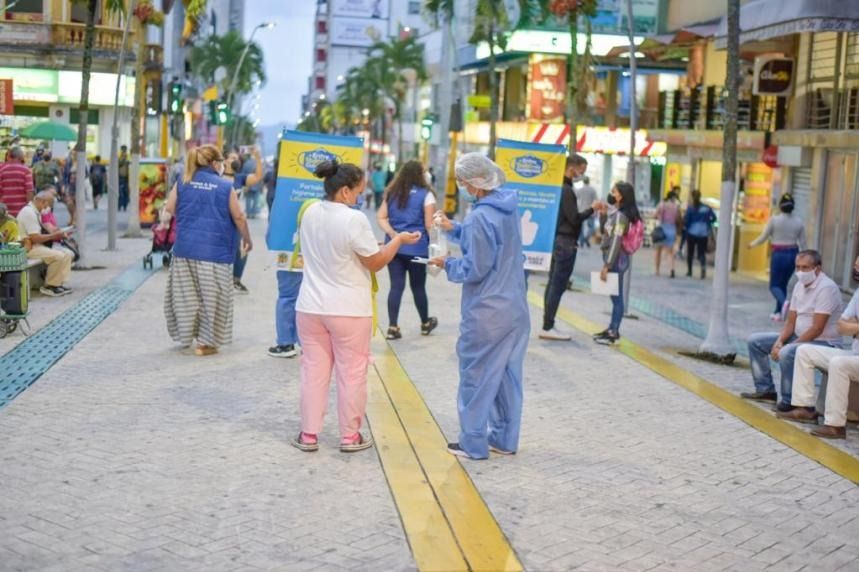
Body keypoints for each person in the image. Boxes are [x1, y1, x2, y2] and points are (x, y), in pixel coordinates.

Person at [292, 161, 421, 453]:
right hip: (348, 309)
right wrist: (398, 240)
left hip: (310, 308)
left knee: (313, 372)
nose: (361, 197)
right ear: (346, 192)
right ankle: (350, 437)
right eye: (359, 192)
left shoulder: (310, 211)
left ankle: (309, 435)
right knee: (351, 373)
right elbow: (374, 262)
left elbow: (330, 247)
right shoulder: (353, 219)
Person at [429, 153, 530, 460]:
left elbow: (475, 267)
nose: (459, 186)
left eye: (460, 181)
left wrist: (447, 263)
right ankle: (504, 438)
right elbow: (489, 241)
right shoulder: (506, 207)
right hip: (515, 307)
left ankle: (473, 443)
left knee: (477, 376)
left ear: (472, 183)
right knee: (506, 378)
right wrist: (454, 228)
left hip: (487, 313)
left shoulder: (478, 218)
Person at [163, 144, 252, 356]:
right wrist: (247, 238)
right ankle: (205, 343)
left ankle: (187, 337)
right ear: (214, 163)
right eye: (221, 161)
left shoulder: (183, 182)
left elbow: (169, 208)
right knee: (212, 298)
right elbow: (239, 216)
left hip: (184, 251)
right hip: (215, 254)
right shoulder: (224, 186)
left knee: (187, 297)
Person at [740, 250, 843, 412]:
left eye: (805, 267)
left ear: (818, 268)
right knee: (756, 341)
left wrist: (787, 347)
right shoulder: (799, 285)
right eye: (798, 267)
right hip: (801, 337)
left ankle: (790, 401)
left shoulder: (827, 288)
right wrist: (779, 342)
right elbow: (791, 321)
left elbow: (817, 328)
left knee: (788, 352)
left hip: (824, 342)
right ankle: (765, 390)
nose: (800, 272)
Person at [778, 257, 859, 439]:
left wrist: (853, 326)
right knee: (804, 351)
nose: (856, 270)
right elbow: (841, 325)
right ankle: (804, 408)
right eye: (855, 266)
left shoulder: (827, 287)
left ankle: (835, 425)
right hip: (854, 353)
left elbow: (846, 326)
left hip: (851, 359)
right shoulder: (858, 293)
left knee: (839, 364)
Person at [377, 160, 438, 340]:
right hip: (417, 248)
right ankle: (425, 323)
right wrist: (437, 243)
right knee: (418, 287)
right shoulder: (426, 195)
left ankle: (392, 327)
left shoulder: (392, 193)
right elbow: (429, 224)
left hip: (394, 248)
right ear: (421, 174)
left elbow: (381, 217)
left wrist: (393, 234)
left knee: (396, 286)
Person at [540, 154, 598, 341]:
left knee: (553, 284)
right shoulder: (566, 190)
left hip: (559, 241)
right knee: (557, 285)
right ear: (572, 168)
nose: (581, 175)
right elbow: (573, 218)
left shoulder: (562, 188)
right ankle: (548, 326)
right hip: (565, 243)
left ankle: (548, 324)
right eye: (581, 171)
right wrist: (592, 209)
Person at [593, 182, 641, 345]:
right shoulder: (618, 214)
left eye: (613, 191)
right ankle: (612, 328)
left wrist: (607, 265)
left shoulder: (621, 217)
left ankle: (614, 331)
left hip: (616, 259)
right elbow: (604, 233)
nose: (611, 194)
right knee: (615, 296)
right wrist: (603, 215)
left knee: (617, 298)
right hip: (616, 259)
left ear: (620, 196)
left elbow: (615, 241)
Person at [748, 194, 806, 322]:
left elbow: (763, 237)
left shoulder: (774, 220)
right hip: (793, 254)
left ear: (780, 206)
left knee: (774, 285)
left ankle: (784, 302)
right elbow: (803, 244)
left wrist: (751, 244)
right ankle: (778, 313)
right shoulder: (799, 222)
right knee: (782, 284)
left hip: (779, 253)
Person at [16, 191, 73, 297]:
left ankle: (57, 283)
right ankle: (50, 286)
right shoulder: (29, 213)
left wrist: (56, 232)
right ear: (42, 201)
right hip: (28, 247)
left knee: (67, 254)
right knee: (59, 256)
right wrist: (54, 236)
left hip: (34, 245)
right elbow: (35, 238)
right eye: (48, 204)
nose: (48, 208)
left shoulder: (35, 211)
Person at [684, 190, 715, 279]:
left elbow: (686, 220)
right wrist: (707, 222)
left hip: (692, 232)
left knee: (690, 253)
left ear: (692, 197)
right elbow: (714, 218)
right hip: (703, 233)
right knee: (701, 253)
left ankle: (689, 271)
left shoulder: (691, 208)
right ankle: (703, 269)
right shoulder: (706, 208)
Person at [653, 189, 682, 278]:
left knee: (658, 251)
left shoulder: (662, 204)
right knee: (670, 252)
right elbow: (678, 219)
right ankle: (671, 269)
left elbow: (654, 215)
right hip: (672, 229)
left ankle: (657, 270)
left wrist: (658, 217)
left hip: (662, 229)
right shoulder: (676, 206)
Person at [0, 146, 34, 217]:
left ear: (9, 156)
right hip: (21, 211)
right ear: (21, 157)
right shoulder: (26, 170)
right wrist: (29, 208)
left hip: (4, 211)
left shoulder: (2, 169)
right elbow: (29, 191)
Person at [575, 175, 598, 248]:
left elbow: (576, 199)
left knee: (580, 227)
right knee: (592, 227)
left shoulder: (580, 190)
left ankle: (581, 240)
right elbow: (596, 200)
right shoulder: (593, 190)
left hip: (581, 211)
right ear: (589, 181)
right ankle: (586, 238)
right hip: (590, 211)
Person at [118, 145, 130, 212]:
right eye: (123, 150)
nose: (124, 151)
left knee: (126, 193)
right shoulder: (120, 157)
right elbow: (119, 164)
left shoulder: (128, 157)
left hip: (127, 178)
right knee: (120, 193)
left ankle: (125, 206)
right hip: (121, 177)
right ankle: (119, 206)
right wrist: (123, 159)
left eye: (125, 150)